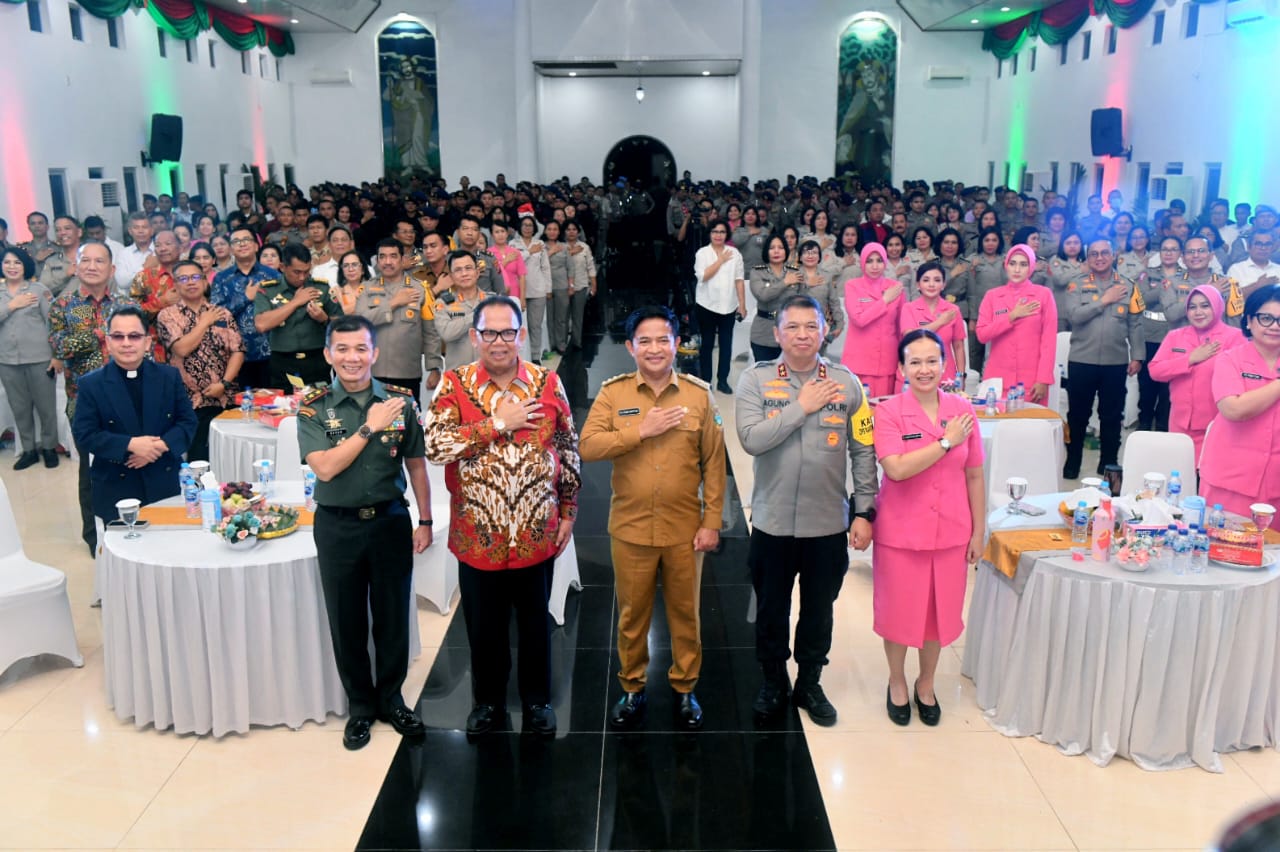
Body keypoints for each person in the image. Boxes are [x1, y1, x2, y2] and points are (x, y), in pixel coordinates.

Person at [424, 295, 581, 737]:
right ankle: (488, 702)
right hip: (478, 536)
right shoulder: (453, 385)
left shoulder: (547, 382)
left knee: (535, 626)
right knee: (484, 629)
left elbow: (568, 448)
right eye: (489, 333)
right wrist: (497, 423)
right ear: (475, 337)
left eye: (507, 332)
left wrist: (569, 509)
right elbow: (435, 447)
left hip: (536, 532)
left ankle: (537, 702)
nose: (498, 341)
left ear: (521, 334)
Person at [579, 305, 726, 731]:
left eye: (664, 339)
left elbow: (714, 463)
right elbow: (588, 446)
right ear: (630, 347)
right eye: (645, 341)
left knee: (686, 614)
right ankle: (632, 686)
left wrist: (712, 520)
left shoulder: (698, 395)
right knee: (632, 616)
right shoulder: (614, 394)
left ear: (677, 344)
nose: (655, 348)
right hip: (631, 528)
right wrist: (640, 431)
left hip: (685, 529)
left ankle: (685, 688)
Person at [736, 294, 878, 726]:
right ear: (777, 334)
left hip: (827, 523)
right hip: (773, 521)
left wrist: (864, 511)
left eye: (811, 326)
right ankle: (773, 680)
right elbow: (751, 439)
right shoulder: (756, 380)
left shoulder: (848, 383)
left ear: (825, 331)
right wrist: (802, 407)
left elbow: (864, 448)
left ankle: (810, 682)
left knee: (819, 610)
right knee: (771, 609)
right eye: (793, 327)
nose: (802, 335)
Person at [298, 314, 433, 752]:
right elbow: (325, 467)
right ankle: (360, 706)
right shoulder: (313, 406)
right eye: (342, 349)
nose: (352, 358)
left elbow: (416, 465)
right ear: (328, 354)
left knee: (393, 616)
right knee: (347, 619)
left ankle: (392, 699)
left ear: (374, 353)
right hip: (337, 526)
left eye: (361, 348)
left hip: (389, 520)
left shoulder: (401, 402)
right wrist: (369, 426)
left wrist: (425, 520)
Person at [872, 329, 984, 726]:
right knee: (900, 613)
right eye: (915, 362)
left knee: (937, 615)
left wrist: (978, 531)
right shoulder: (888, 412)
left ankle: (927, 682)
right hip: (901, 534)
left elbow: (975, 475)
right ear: (901, 368)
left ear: (944, 364)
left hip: (951, 532)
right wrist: (945, 443)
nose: (924, 369)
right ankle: (897, 680)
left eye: (932, 361)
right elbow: (896, 469)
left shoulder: (963, 411)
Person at [50, 242, 140, 555]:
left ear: (111, 269)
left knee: (131, 461)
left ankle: (131, 525)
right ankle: (95, 537)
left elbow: (137, 345)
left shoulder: (126, 304)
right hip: (84, 404)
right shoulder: (64, 305)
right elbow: (60, 347)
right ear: (76, 267)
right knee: (91, 471)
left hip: (128, 400)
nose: (91, 266)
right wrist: (102, 334)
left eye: (99, 261)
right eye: (85, 260)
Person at [71, 305, 196, 526]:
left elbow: (187, 422)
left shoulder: (168, 377)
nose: (126, 343)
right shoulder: (92, 384)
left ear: (147, 342)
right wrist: (131, 445)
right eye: (118, 336)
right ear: (108, 343)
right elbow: (85, 434)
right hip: (117, 485)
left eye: (134, 336)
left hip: (164, 480)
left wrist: (157, 447)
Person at [1062, 239, 1145, 479]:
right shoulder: (1076, 284)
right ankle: (1073, 462)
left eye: (1104, 253)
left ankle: (1109, 465)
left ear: (1114, 255)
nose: (1099, 258)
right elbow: (1074, 316)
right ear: (1088, 258)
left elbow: (1135, 323)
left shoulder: (1128, 285)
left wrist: (1137, 356)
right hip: (1082, 360)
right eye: (1094, 254)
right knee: (1077, 415)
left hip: (1115, 361)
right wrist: (1105, 300)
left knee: (1112, 416)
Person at [1199, 284, 1280, 516]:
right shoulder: (1229, 359)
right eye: (1266, 318)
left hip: (1275, 482)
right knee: (1222, 537)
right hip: (1230, 478)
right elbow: (1233, 409)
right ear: (1249, 321)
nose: (1275, 326)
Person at [156, 259, 244, 462]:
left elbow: (238, 351)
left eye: (195, 277)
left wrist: (224, 383)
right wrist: (204, 323)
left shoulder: (222, 314)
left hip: (225, 398)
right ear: (175, 285)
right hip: (191, 402)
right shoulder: (168, 315)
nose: (190, 282)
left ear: (205, 281)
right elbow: (182, 348)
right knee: (198, 461)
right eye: (183, 278)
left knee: (228, 459)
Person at [1147, 285, 1246, 461]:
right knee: (1179, 472)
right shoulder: (1175, 336)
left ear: (1217, 306)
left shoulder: (1235, 337)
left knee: (1209, 474)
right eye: (1192, 307)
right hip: (1179, 424)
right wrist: (1189, 359)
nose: (1198, 312)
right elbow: (1155, 371)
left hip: (1217, 425)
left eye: (1205, 306)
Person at [355, 239, 438, 401]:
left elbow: (430, 333)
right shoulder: (366, 289)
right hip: (373, 371)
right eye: (382, 257)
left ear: (402, 259)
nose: (387, 262)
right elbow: (359, 322)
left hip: (407, 373)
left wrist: (434, 368)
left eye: (393, 256)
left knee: (408, 416)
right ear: (377, 261)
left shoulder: (420, 289)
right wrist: (394, 303)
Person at [975, 244, 1058, 403]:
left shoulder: (1043, 295)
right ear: (1006, 265)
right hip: (997, 382)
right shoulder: (992, 296)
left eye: (1023, 264)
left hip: (1031, 382)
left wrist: (1043, 379)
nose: (1017, 269)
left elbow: (1049, 342)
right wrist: (1011, 317)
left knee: (1030, 419)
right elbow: (982, 335)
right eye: (1012, 263)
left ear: (1031, 267)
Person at [0, 247, 58, 469]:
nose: (12, 267)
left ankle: (49, 447)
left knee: (46, 407)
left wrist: (56, 356)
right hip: (7, 361)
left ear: (25, 266)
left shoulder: (38, 290)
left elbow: (53, 324)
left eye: (17, 262)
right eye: (7, 262)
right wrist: (11, 306)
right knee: (19, 408)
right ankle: (28, 450)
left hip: (40, 358)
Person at [254, 243, 342, 388]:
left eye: (306, 271)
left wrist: (324, 319)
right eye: (296, 272)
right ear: (283, 267)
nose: (302, 277)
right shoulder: (268, 289)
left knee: (320, 401)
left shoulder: (321, 288)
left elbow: (341, 326)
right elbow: (261, 325)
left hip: (317, 360)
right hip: (283, 362)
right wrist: (296, 302)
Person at [211, 227, 275, 389]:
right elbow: (217, 316)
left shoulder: (273, 276)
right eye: (236, 241)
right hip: (236, 355)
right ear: (231, 249)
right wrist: (245, 298)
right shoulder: (222, 279)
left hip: (271, 352)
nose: (242, 244)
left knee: (273, 401)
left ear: (256, 246)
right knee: (243, 403)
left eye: (246, 240)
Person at [843, 242, 905, 397]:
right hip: (859, 360)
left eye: (879, 260)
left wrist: (903, 358)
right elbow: (859, 319)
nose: (875, 266)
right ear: (862, 263)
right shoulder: (852, 286)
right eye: (869, 261)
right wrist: (884, 300)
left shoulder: (895, 287)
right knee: (860, 408)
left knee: (884, 407)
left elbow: (901, 327)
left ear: (885, 262)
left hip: (887, 360)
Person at [693, 220, 746, 393]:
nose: (718, 235)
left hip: (728, 306)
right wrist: (720, 260)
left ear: (727, 234)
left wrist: (742, 304)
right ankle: (706, 381)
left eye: (722, 232)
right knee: (707, 344)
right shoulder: (702, 253)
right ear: (710, 233)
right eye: (715, 231)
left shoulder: (735, 253)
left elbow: (739, 280)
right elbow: (703, 276)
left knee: (726, 345)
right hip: (706, 304)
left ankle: (723, 380)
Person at [899, 261, 965, 384]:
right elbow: (910, 337)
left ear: (943, 284)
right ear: (918, 285)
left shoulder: (953, 310)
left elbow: (958, 347)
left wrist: (961, 376)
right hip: (916, 373)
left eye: (937, 280)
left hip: (946, 375)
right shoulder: (908, 308)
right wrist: (940, 322)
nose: (931, 284)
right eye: (926, 280)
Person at [748, 233, 803, 362]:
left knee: (790, 372)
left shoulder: (795, 272)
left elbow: (802, 301)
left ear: (786, 251)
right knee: (765, 372)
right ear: (766, 252)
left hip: (790, 333)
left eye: (780, 247)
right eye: (772, 248)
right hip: (764, 333)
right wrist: (785, 282)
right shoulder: (757, 272)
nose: (776, 251)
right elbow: (763, 295)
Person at [563, 221, 596, 350]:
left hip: (581, 285)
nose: (571, 232)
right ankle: (562, 343)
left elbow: (590, 267)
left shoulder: (584, 247)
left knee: (578, 316)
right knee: (563, 317)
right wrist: (572, 252)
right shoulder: (560, 246)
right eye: (568, 229)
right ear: (564, 232)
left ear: (578, 232)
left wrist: (594, 285)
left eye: (574, 229)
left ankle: (577, 342)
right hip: (563, 286)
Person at [1046, 231, 1086, 331]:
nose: (1072, 246)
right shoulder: (1056, 260)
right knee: (1060, 339)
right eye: (1068, 243)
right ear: (1062, 245)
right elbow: (1060, 280)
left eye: (1076, 243)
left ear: (1081, 245)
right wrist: (1080, 270)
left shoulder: (1086, 262)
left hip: (1080, 311)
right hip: (1061, 312)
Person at [114, 212, 154, 295]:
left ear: (152, 231)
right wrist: (144, 268)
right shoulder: (123, 254)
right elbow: (122, 282)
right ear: (130, 231)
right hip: (132, 301)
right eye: (136, 227)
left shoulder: (159, 251)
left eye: (144, 227)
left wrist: (133, 276)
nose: (140, 231)